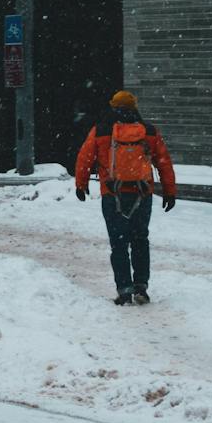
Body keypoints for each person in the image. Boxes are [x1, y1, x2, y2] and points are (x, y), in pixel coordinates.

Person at [74, 90, 178, 305]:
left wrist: (81, 184)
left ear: (113, 106)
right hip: (142, 193)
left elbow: (84, 158)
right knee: (140, 239)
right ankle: (141, 287)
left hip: (113, 194)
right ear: (134, 107)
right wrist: (169, 191)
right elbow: (164, 162)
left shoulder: (101, 130)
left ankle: (124, 289)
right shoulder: (148, 131)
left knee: (118, 243)